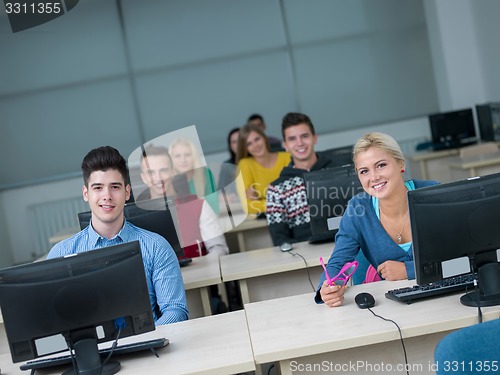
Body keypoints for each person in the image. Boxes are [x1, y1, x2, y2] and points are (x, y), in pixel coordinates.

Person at [47, 146, 188, 324]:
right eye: (98, 188)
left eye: (115, 187)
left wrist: (144, 338)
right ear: (86, 194)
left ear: (127, 192)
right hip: (91, 351)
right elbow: (53, 321)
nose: (107, 196)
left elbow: (175, 311)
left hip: (150, 346)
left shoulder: (156, 246)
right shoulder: (60, 255)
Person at [316, 132, 439, 306]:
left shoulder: (433, 194)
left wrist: (410, 270)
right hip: (392, 306)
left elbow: (464, 261)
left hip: (442, 298)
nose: (373, 177)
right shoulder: (358, 209)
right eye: (364, 171)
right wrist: (328, 287)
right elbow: (338, 261)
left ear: (401, 164)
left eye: (381, 165)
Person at [138, 144, 229, 258]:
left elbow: (218, 248)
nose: (158, 178)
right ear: (144, 177)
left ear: (172, 172)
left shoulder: (198, 206)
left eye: (163, 170)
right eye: (151, 173)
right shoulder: (136, 216)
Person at [266, 112, 338, 245]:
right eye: (292, 139)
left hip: (346, 246)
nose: (299, 143)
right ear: (285, 145)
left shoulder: (338, 171)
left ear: (314, 138)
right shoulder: (276, 189)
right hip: (306, 256)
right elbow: (280, 239)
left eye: (305, 136)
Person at [236, 123, 291, 215]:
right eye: (249, 144)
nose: (255, 145)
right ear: (245, 148)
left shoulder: (287, 157)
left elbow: (299, 195)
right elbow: (248, 206)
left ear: (264, 138)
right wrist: (283, 203)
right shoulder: (245, 165)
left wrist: (260, 201)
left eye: (257, 139)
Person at [169, 137, 220, 214]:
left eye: (187, 155)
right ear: (171, 159)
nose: (183, 160)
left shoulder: (205, 173)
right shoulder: (168, 181)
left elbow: (215, 208)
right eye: (177, 156)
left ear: (194, 156)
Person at [217, 127, 240, 199]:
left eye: (241, 140)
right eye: (234, 142)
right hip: (237, 204)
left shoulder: (256, 161)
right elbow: (220, 192)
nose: (238, 144)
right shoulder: (227, 166)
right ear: (230, 145)